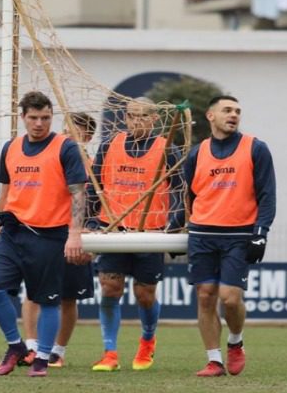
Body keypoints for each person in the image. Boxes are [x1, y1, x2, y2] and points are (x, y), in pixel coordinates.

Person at [0, 91, 88, 377]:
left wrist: (74, 233)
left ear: (51, 117)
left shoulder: (66, 147)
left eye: (45, 117)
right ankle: (15, 346)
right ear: (23, 118)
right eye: (33, 118)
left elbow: (78, 192)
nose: (39, 123)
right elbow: (6, 190)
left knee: (48, 300)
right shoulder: (11, 147)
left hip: (49, 235)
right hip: (13, 232)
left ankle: (42, 358)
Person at [87, 97, 185, 372]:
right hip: (113, 230)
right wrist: (90, 220)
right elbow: (94, 185)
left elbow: (181, 192)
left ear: (154, 119)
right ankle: (109, 352)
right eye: (132, 116)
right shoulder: (109, 145)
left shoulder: (168, 149)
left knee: (144, 294)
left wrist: (173, 226)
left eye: (143, 116)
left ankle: (147, 341)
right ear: (125, 118)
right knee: (110, 288)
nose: (136, 121)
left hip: (150, 233)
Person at [183, 95, 276, 377]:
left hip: (239, 234)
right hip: (202, 233)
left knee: (230, 298)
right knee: (205, 296)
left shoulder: (256, 148)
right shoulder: (196, 153)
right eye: (227, 110)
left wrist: (261, 233)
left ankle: (235, 341)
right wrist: (178, 226)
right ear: (210, 116)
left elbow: (267, 195)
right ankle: (214, 361)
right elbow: (189, 195)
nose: (233, 115)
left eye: (237, 111)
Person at [19, 112, 97, 368]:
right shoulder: (47, 158)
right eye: (66, 128)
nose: (68, 134)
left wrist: (89, 236)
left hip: (75, 236)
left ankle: (57, 350)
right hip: (44, 233)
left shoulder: (93, 167)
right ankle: (31, 346)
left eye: (76, 130)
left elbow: (95, 205)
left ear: (88, 136)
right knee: (33, 292)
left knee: (68, 297)